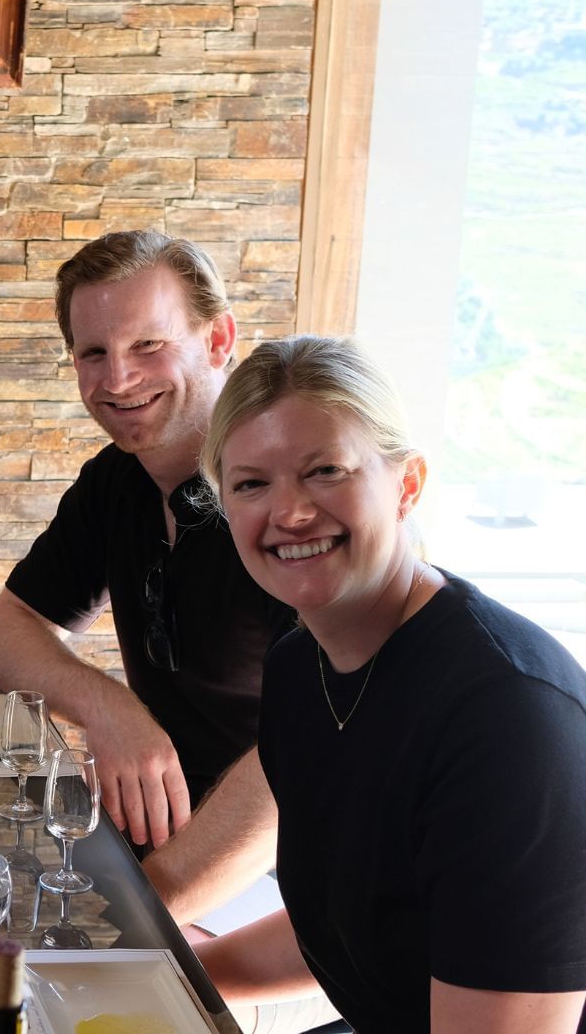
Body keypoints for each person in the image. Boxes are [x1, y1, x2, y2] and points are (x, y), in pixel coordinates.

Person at [193, 336, 586, 1031]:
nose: (289, 513)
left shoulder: (506, 717)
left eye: (325, 471)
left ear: (407, 484)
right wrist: (165, 977)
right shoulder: (297, 669)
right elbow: (355, 918)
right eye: (251, 483)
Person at [0, 229, 294, 922]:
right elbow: (1, 638)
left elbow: (314, 747)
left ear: (218, 339)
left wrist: (149, 907)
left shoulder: (283, 496)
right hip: (151, 833)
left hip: (284, 870)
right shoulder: (116, 480)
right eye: (94, 353)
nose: (117, 380)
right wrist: (112, 710)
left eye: (149, 345)